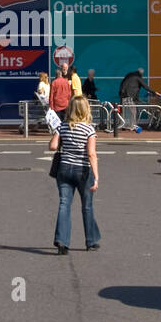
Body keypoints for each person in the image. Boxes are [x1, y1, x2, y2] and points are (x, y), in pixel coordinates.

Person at [48, 95, 101, 254]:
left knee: (64, 204)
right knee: (87, 206)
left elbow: (53, 146)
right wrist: (96, 176)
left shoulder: (63, 126)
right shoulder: (89, 129)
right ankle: (91, 241)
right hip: (83, 171)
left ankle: (62, 242)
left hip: (64, 169)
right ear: (86, 109)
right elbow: (91, 154)